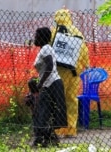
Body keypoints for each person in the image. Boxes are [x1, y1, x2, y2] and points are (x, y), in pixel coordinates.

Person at [51, 8, 90, 137]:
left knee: (57, 99)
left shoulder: (54, 32)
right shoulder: (77, 31)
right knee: (71, 100)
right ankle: (71, 129)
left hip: (58, 71)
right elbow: (83, 50)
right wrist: (85, 64)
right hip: (74, 71)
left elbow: (48, 49)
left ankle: (57, 129)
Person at [32, 27, 67, 147]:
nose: (34, 38)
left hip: (51, 84)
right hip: (49, 84)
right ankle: (49, 139)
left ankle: (42, 139)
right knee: (46, 113)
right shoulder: (44, 49)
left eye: (36, 36)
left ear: (42, 37)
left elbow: (50, 66)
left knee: (44, 112)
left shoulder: (46, 48)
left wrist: (40, 83)